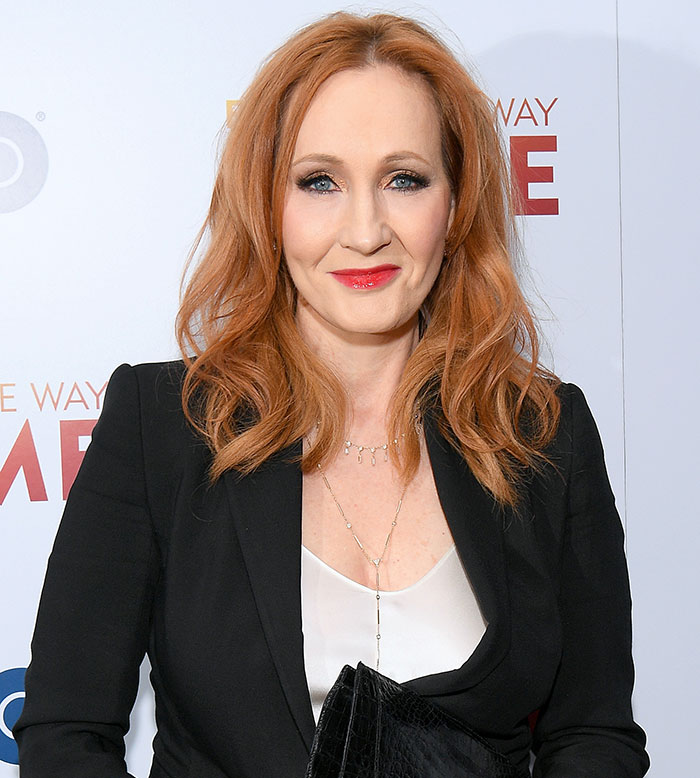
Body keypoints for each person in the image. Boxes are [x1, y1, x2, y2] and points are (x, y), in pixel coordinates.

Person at [14, 11, 649, 778]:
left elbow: (594, 737)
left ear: (454, 207)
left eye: (404, 179)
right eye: (320, 181)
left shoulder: (544, 436)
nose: (365, 229)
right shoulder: (162, 427)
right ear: (268, 206)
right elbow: (65, 736)